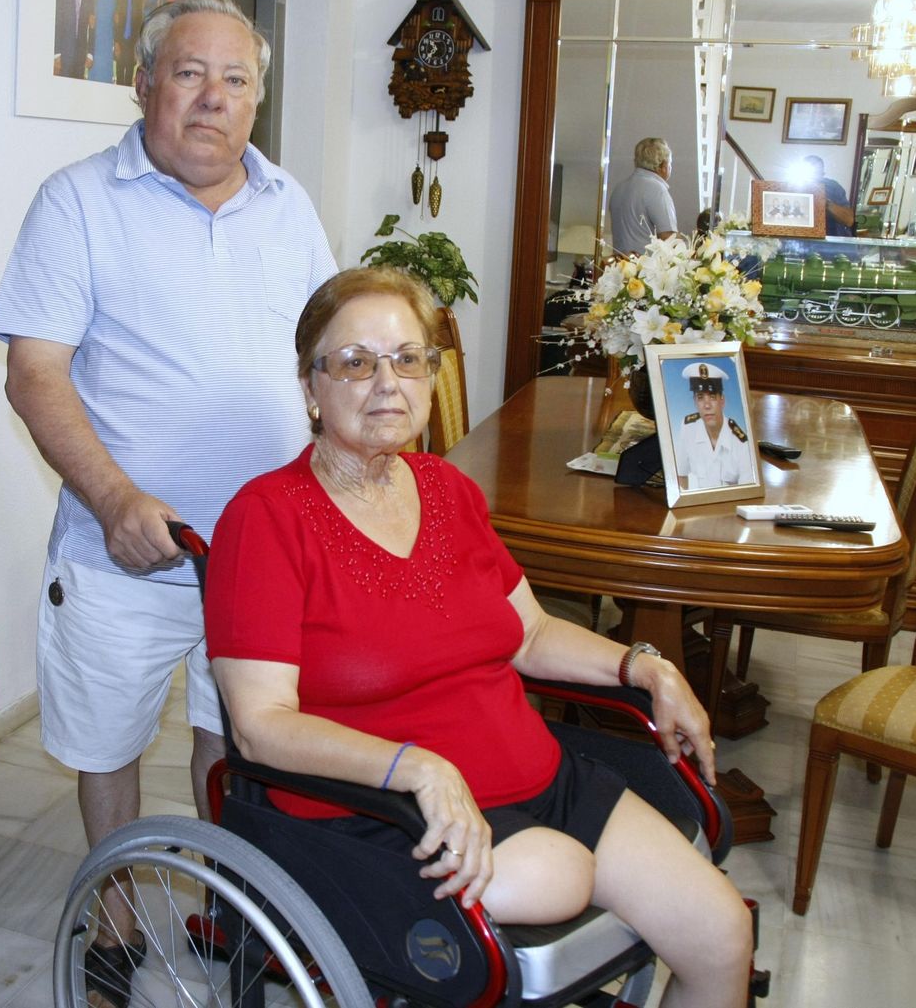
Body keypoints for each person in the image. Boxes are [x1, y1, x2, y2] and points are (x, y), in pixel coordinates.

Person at [204, 266, 753, 1008]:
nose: (386, 382)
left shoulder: (448, 489)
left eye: (408, 358)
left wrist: (641, 665)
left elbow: (527, 632)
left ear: (431, 376)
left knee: (722, 935)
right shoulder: (265, 518)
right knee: (558, 875)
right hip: (384, 814)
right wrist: (416, 768)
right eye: (356, 362)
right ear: (311, 386)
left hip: (542, 780)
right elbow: (260, 724)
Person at [0, 0, 335, 1006]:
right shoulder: (78, 201)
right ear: (144, 87)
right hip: (126, 546)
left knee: (236, 734)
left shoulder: (290, 202)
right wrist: (111, 498)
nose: (210, 99)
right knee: (108, 738)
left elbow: (322, 355)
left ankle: (227, 898)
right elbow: (35, 373)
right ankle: (120, 907)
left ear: (258, 100)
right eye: (188, 74)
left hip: (262, 549)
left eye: (234, 80)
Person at [673, 362, 756, 491]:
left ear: (722, 400)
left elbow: (748, 493)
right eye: (700, 397)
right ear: (695, 402)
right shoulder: (688, 427)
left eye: (712, 397)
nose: (707, 405)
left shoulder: (741, 443)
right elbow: (680, 475)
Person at [608, 136, 678, 254]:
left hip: (620, 267)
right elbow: (668, 238)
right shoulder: (657, 190)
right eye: (670, 163)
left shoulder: (619, 188)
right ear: (663, 166)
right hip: (646, 268)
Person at [803, 155, 854, 237]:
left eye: (817, 173)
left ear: (823, 174)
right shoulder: (791, 188)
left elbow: (848, 220)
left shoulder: (833, 187)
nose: (812, 178)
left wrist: (825, 202)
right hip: (799, 241)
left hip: (830, 240)